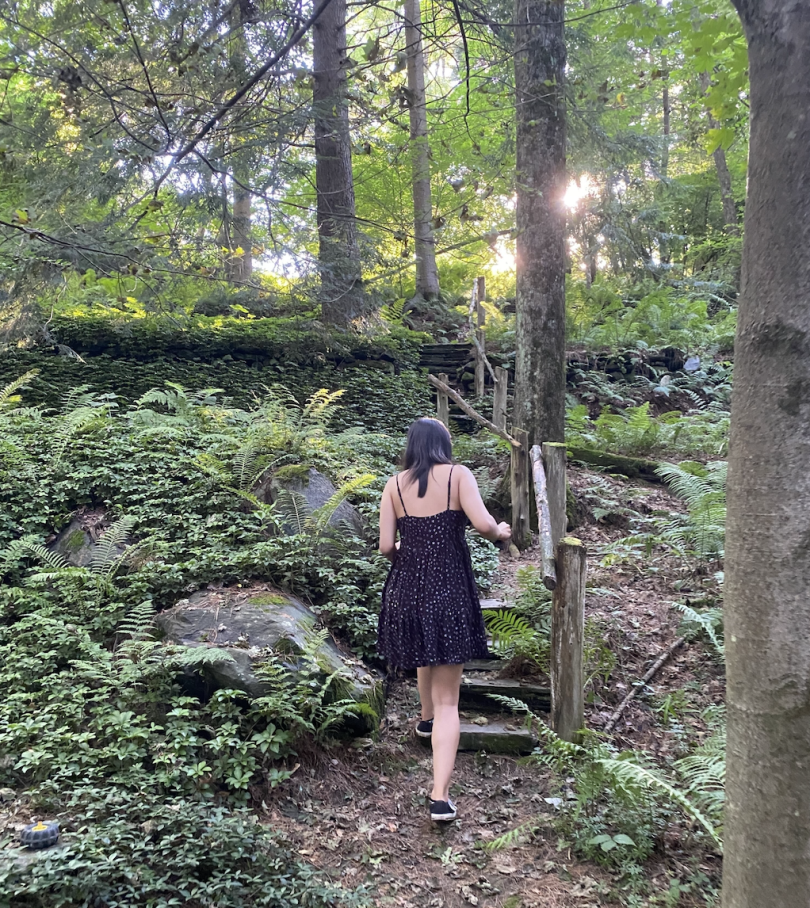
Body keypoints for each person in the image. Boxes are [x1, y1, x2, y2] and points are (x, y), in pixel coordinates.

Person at [377, 417, 512, 822]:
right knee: (450, 699)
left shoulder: (393, 485)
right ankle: (439, 796)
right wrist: (502, 532)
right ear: (443, 444)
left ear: (411, 446)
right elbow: (484, 524)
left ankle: (425, 722)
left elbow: (386, 546)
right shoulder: (458, 476)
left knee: (423, 653)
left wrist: (408, 549)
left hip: (408, 589)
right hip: (450, 589)